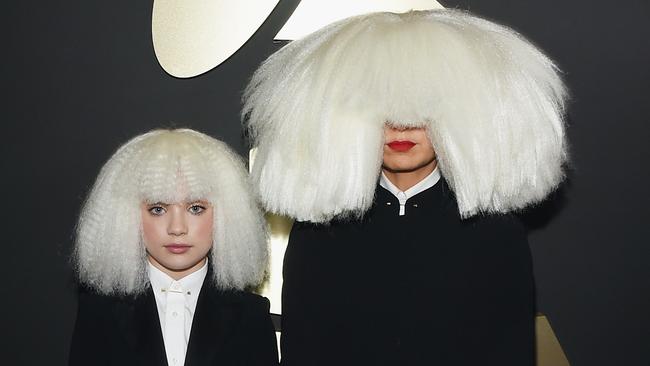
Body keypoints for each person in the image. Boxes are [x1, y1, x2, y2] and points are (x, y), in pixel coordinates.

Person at [242, 9, 568, 366]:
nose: (401, 125)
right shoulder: (320, 234)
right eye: (382, 109)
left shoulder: (496, 234)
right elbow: (305, 352)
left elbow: (507, 352)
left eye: (421, 109)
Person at [69, 129, 279, 366]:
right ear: (126, 216)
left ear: (225, 214)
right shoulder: (99, 313)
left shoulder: (251, 315)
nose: (177, 228)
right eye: (158, 209)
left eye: (196, 208)